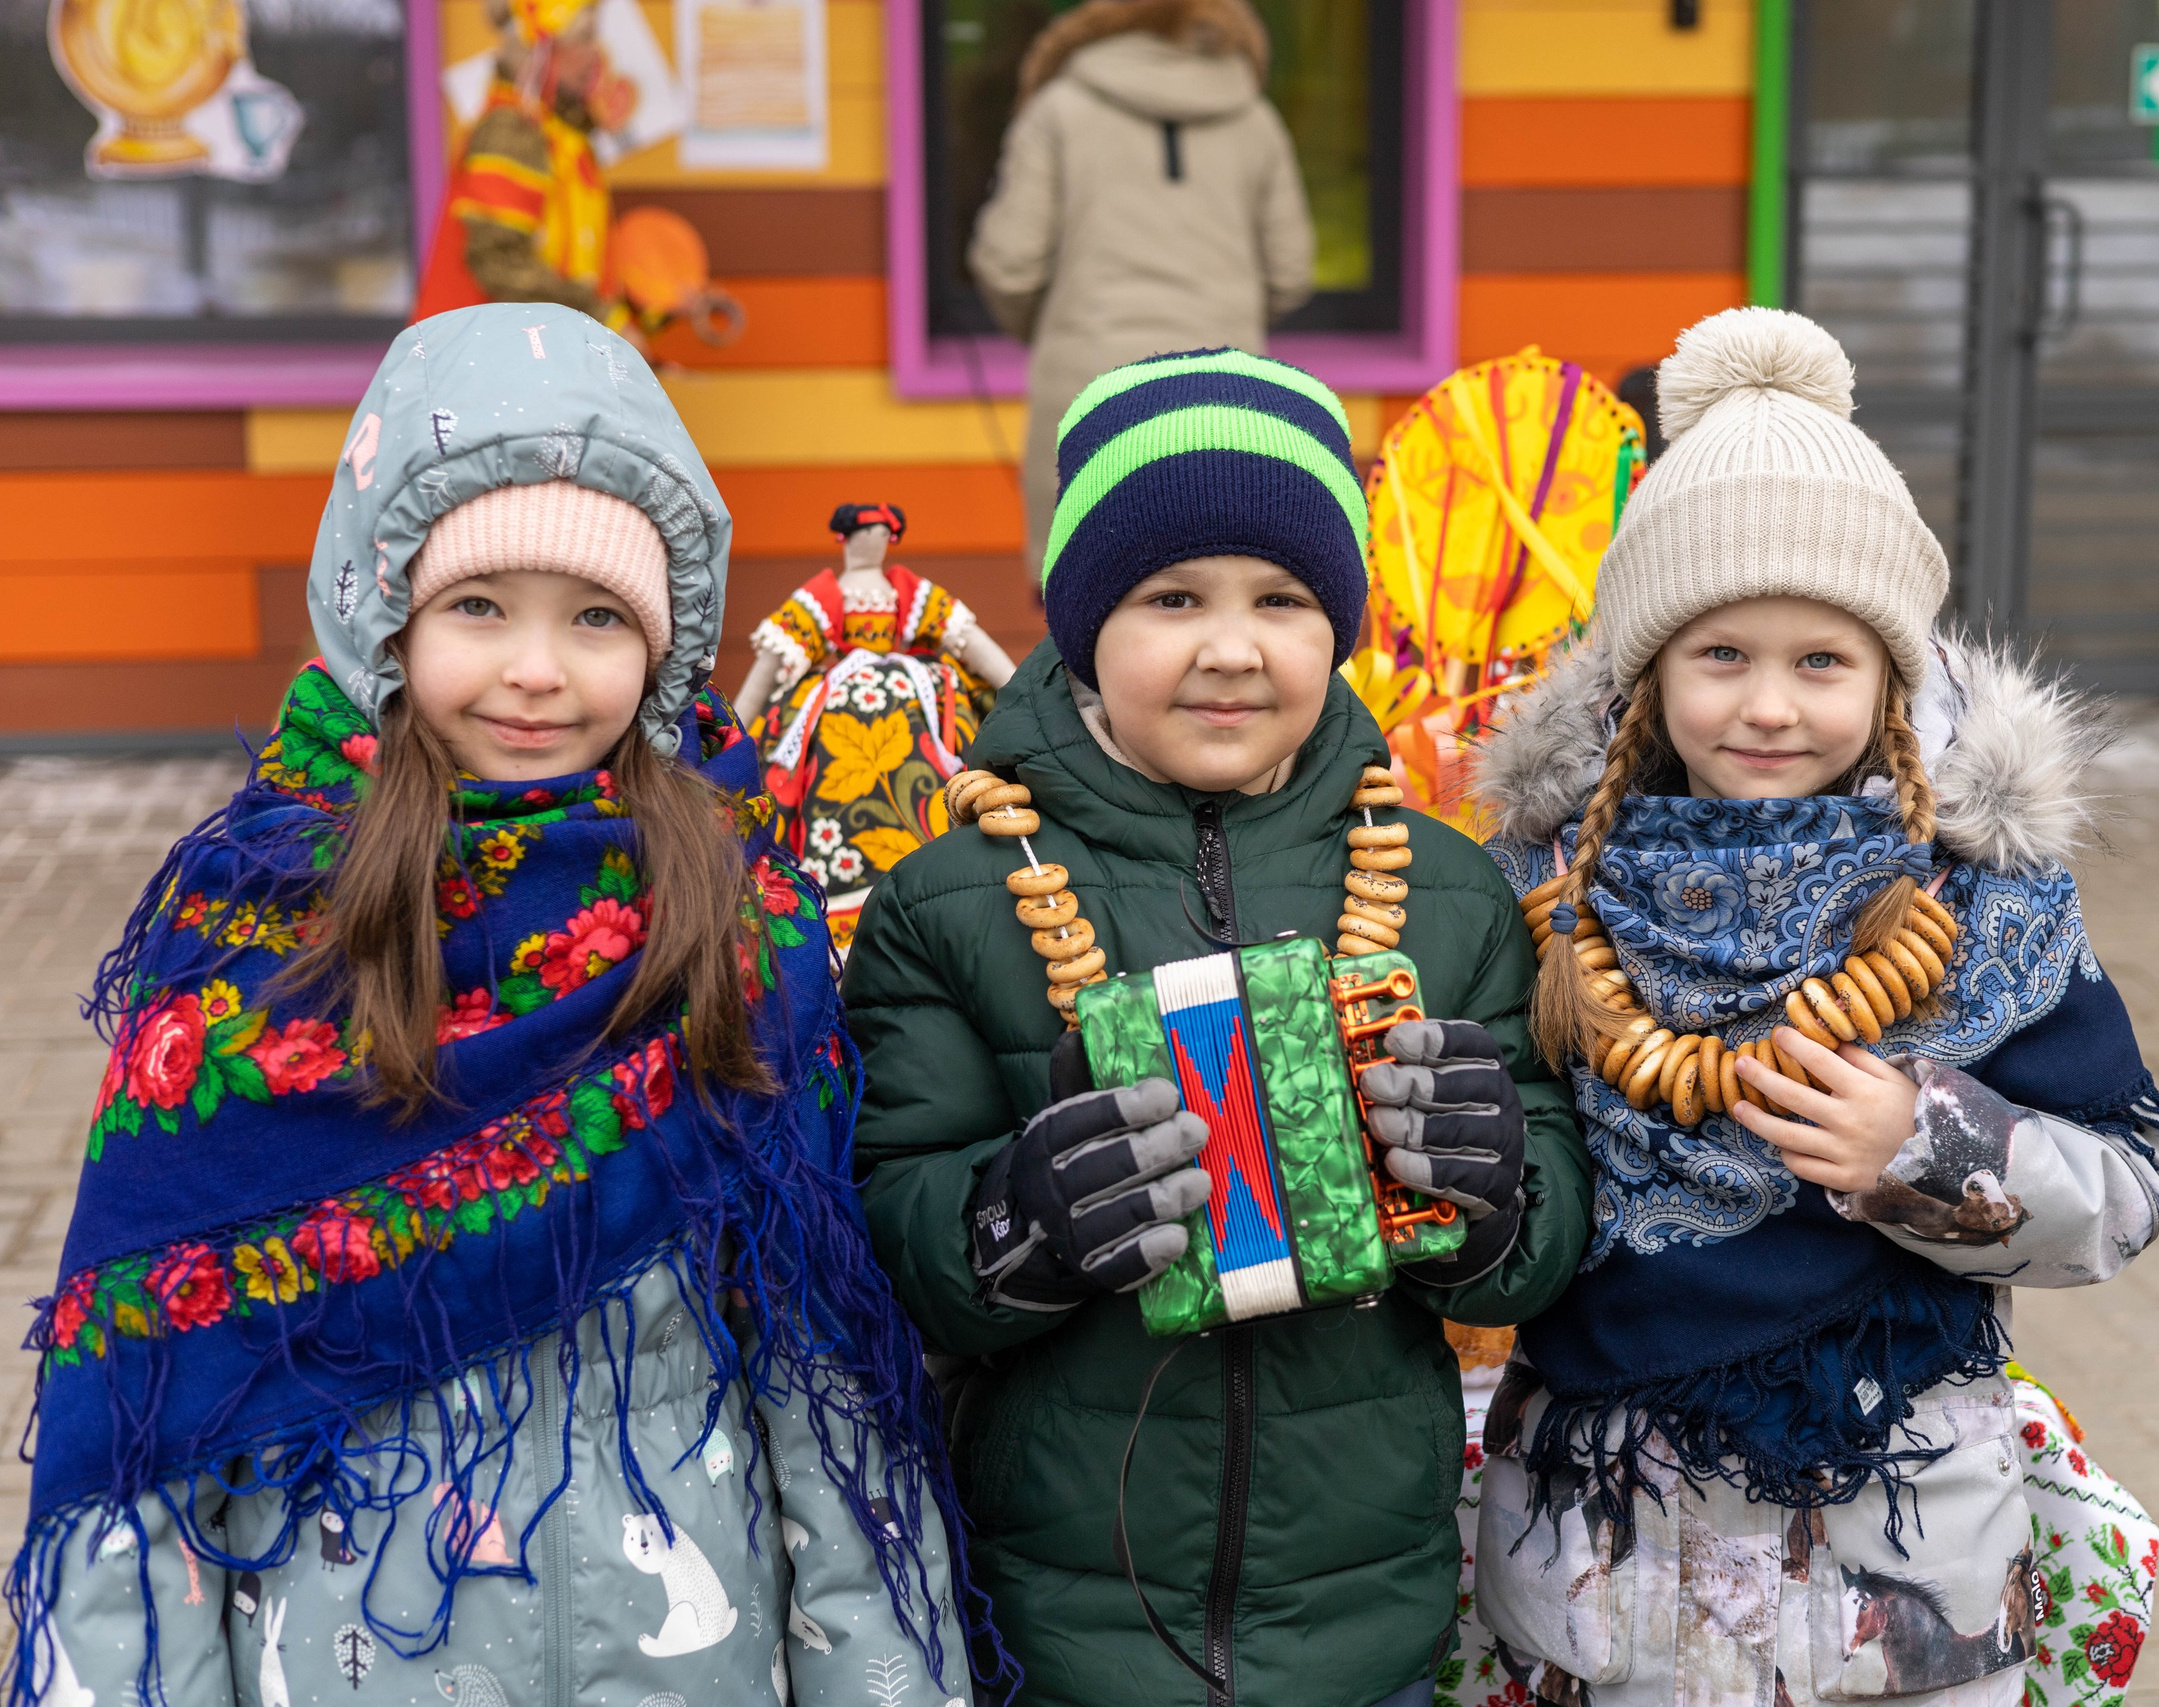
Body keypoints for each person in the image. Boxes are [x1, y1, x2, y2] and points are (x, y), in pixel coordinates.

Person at [10, 305, 987, 1707]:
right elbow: (149, 1427)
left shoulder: (731, 922)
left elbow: (825, 1379)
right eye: (481, 607)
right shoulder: (258, 945)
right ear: (387, 615)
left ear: (661, 643)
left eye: (596, 616)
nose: (538, 668)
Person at [839, 349, 1595, 1707]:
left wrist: (1495, 1200)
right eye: (1171, 595)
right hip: (1059, 1618)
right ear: (1080, 623)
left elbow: (1529, 1250)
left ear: (1339, 624)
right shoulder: (953, 897)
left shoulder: (1447, 889)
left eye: (1285, 597)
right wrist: (1011, 1222)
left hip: (1366, 1618)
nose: (1232, 645)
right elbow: (897, 1216)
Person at [1459, 308, 2159, 1706]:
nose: (1772, 706)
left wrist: (1934, 1148)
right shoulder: (1539, 893)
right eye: (1720, 653)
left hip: (1904, 1573)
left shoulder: (1983, 898)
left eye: (1823, 659)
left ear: (1893, 681)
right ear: (1648, 673)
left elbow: (2132, 1184)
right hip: (1607, 1574)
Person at [968, 0, 1315, 591]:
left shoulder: (1058, 110)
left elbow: (1010, 264)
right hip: (1224, 395)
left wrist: (1054, 326)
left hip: (1089, 391)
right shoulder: (1255, 119)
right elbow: (1291, 270)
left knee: (1087, 611)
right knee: (1215, 596)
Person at [736, 503, 1018, 948]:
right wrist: (738, 724)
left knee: (938, 768)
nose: (874, 539)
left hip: (915, 703)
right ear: (843, 538)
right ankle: (844, 892)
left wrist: (1018, 692)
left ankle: (945, 876)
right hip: (838, 709)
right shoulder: (823, 596)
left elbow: (967, 639)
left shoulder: (907, 591)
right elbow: (770, 664)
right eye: (865, 531)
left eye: (883, 531)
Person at [414, 0, 633, 327]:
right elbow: (501, 262)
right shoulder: (512, 131)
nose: (594, 54)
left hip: (534, 356)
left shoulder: (562, 136)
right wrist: (605, 322)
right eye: (584, 37)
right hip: (490, 361)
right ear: (541, 51)